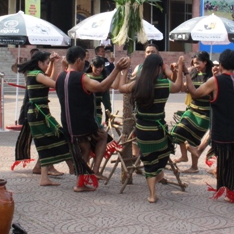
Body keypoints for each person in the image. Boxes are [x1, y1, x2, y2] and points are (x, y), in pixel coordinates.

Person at [55, 46, 130, 192]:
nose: (85, 63)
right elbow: (102, 87)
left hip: (67, 123)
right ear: (78, 60)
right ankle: (94, 172)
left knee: (86, 149)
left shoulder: (60, 77)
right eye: (84, 60)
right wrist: (117, 69)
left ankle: (81, 183)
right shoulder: (82, 78)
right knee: (102, 137)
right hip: (82, 123)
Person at [187, 50, 234, 203]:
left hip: (221, 129)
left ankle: (226, 190)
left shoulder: (215, 80)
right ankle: (231, 193)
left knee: (224, 160)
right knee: (231, 161)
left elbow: (195, 93)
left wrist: (186, 74)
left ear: (221, 64)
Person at [118, 54, 184, 203]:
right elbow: (179, 86)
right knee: (164, 151)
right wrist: (180, 68)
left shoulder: (137, 84)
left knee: (148, 160)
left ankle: (152, 194)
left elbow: (121, 88)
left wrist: (124, 70)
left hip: (142, 130)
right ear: (161, 68)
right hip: (158, 130)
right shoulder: (164, 84)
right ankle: (158, 175)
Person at [15, 51, 73, 186]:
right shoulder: (36, 75)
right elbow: (54, 83)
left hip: (39, 113)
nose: (47, 65)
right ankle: (65, 169)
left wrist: (53, 63)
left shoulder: (34, 74)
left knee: (45, 142)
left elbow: (49, 78)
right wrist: (64, 67)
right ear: (39, 63)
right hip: (38, 113)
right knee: (54, 138)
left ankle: (45, 176)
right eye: (46, 63)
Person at [171, 51, 212, 173]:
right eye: (194, 63)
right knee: (178, 130)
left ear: (205, 62)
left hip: (205, 113)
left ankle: (194, 167)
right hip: (192, 109)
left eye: (198, 63)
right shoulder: (192, 73)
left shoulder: (211, 77)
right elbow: (184, 89)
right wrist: (179, 73)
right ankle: (184, 156)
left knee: (194, 139)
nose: (196, 66)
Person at [94, 46, 114, 119]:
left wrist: (111, 63)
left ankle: (108, 122)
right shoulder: (94, 61)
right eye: (102, 51)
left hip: (105, 86)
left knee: (108, 106)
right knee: (95, 106)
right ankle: (97, 122)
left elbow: (112, 70)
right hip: (95, 87)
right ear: (97, 53)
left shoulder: (106, 61)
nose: (104, 53)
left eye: (104, 51)